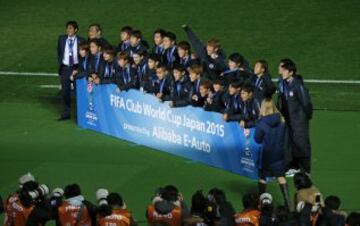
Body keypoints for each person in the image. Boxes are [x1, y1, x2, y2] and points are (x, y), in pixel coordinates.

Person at [277, 59, 313, 175]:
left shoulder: (298, 85)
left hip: (298, 121)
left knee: (301, 143)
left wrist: (303, 118)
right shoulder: (282, 83)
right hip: (288, 120)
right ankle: (295, 167)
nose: (280, 72)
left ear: (291, 72)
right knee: (290, 144)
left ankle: (306, 170)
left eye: (283, 69)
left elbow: (306, 103)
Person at [254, 98, 291, 210]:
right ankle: (288, 204)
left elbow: (257, 139)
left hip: (266, 154)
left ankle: (261, 204)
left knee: (262, 176)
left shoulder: (261, 123)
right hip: (279, 153)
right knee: (280, 176)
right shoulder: (282, 120)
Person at [56, 21, 85, 120]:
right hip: (65, 68)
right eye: (67, 28)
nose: (69, 30)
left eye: (71, 28)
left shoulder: (81, 40)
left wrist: (79, 68)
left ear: (76, 30)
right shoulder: (61, 39)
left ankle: (81, 114)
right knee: (65, 92)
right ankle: (66, 113)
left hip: (77, 68)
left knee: (79, 91)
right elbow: (59, 52)